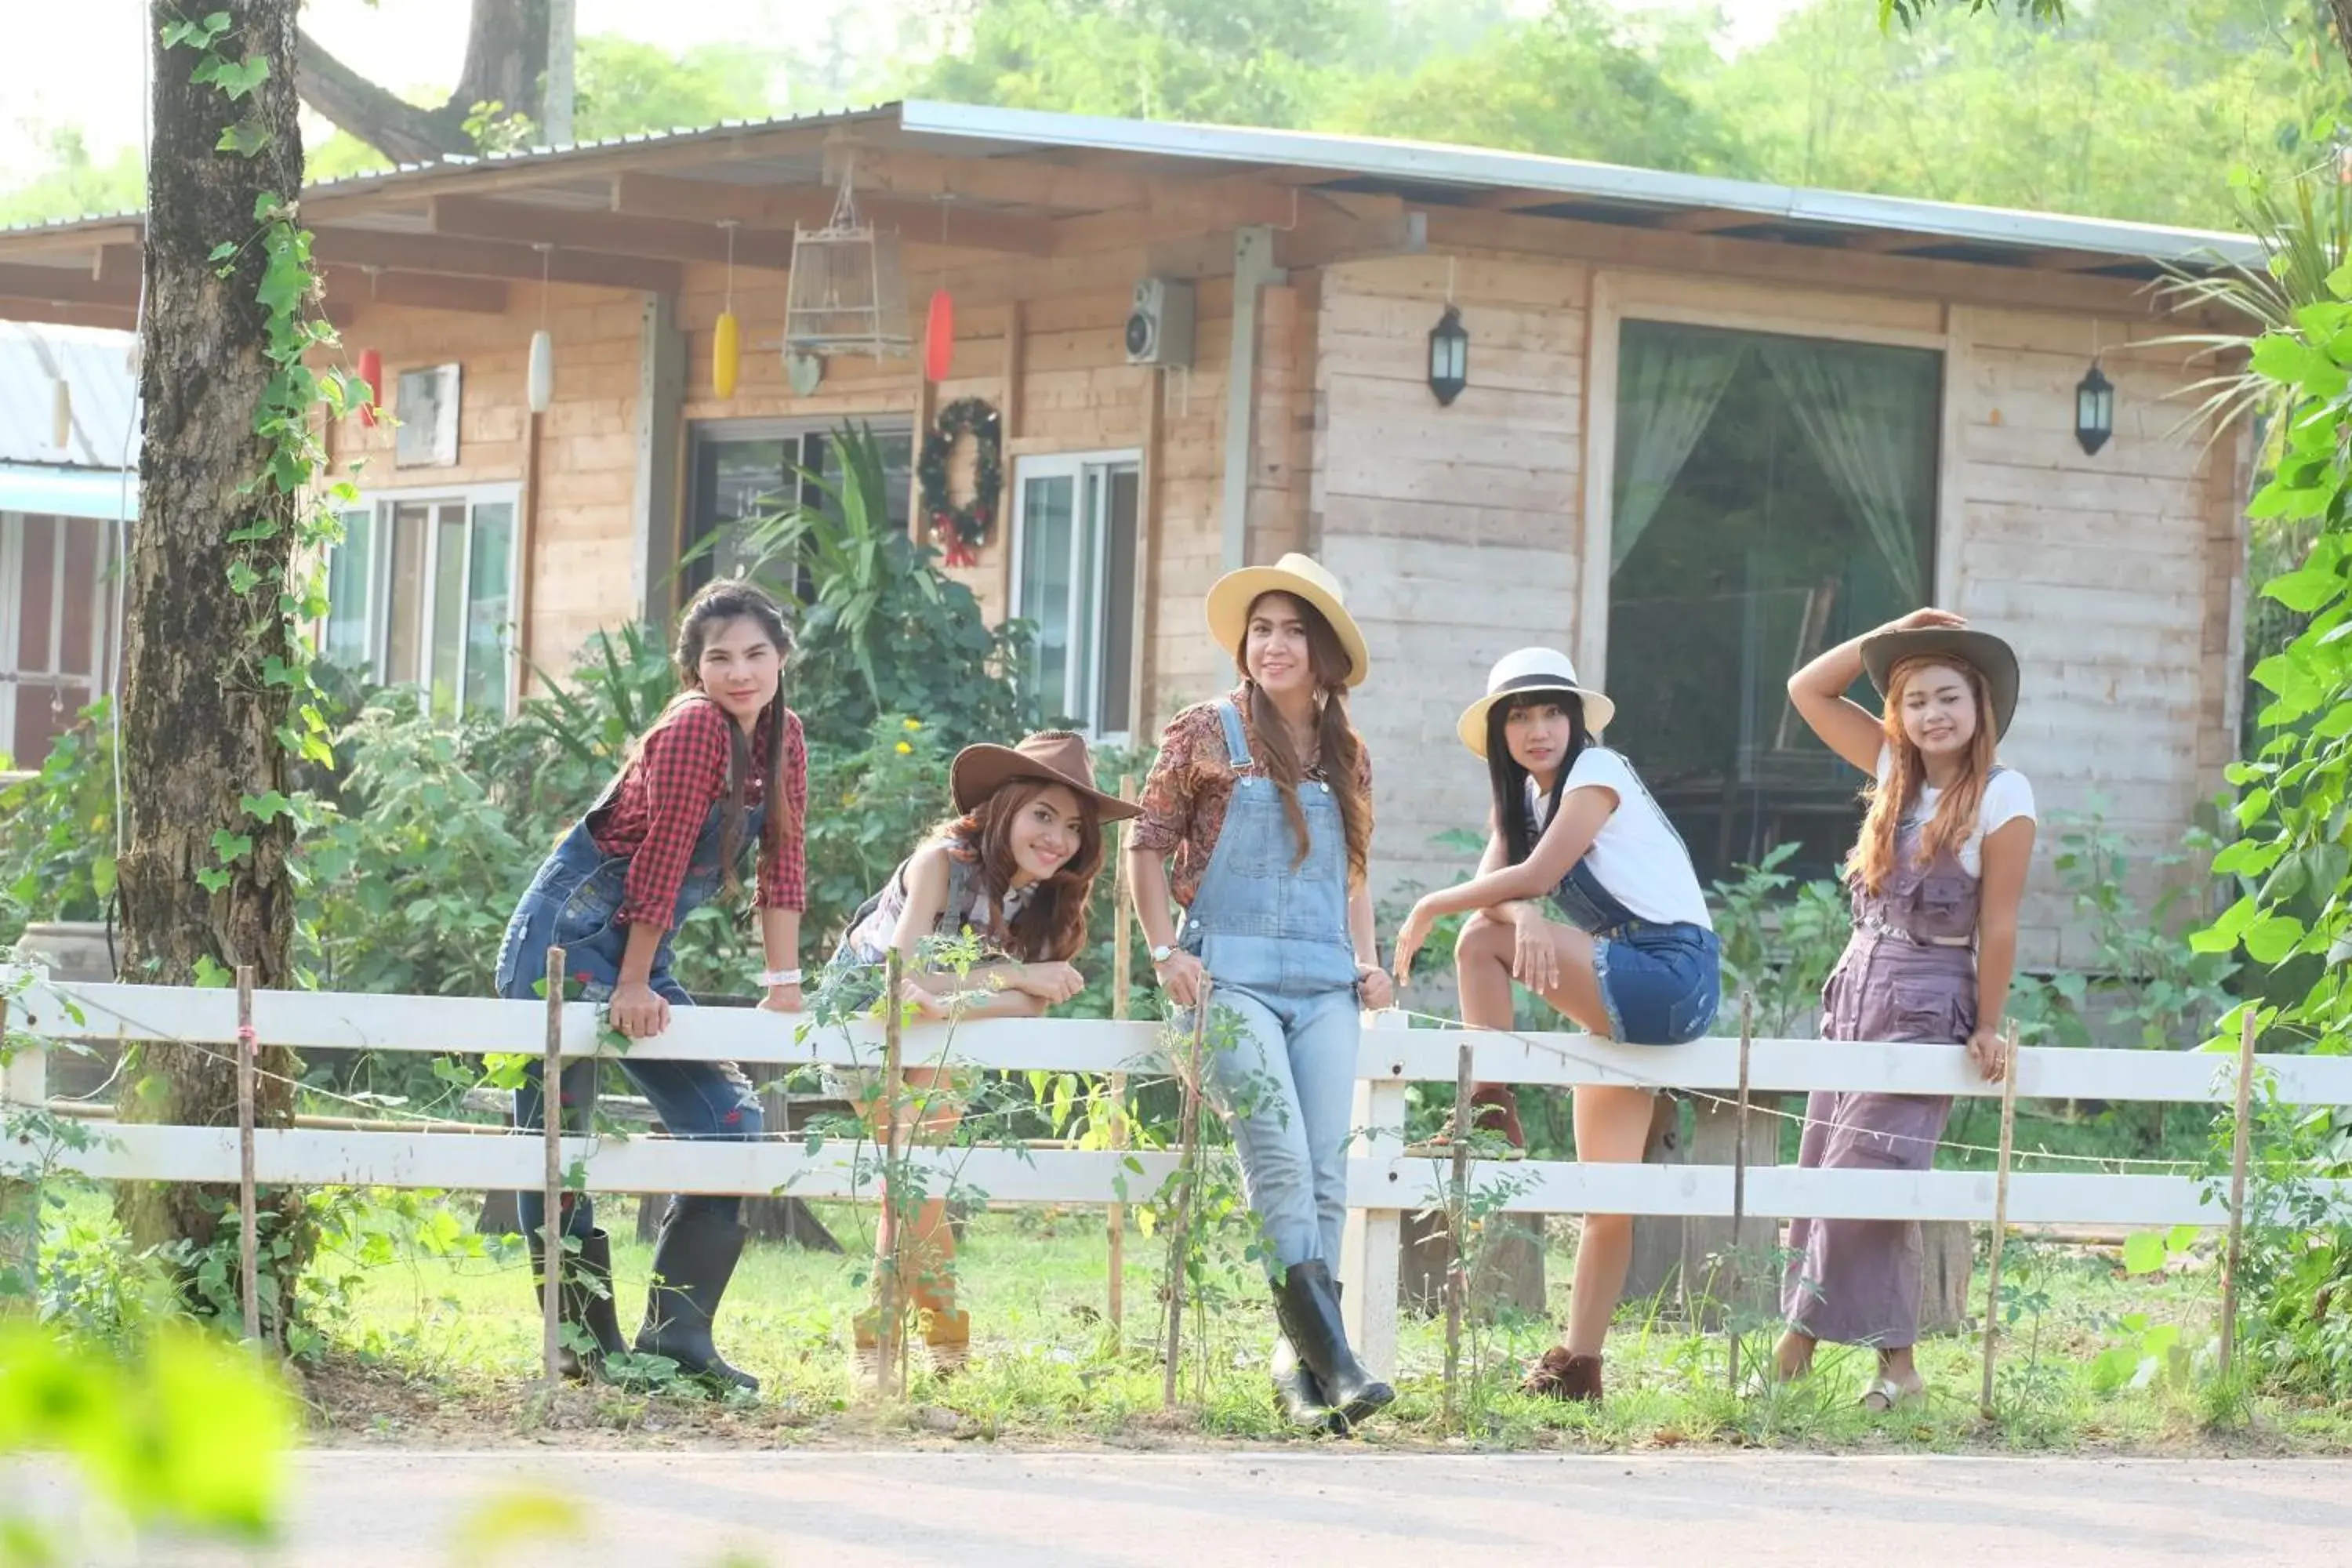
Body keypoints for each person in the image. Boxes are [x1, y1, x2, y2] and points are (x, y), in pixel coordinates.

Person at [492, 579, 808, 1393]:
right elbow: (664, 854)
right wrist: (633, 980)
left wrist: (784, 983)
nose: (740, 672)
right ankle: (581, 1342)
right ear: (694, 668)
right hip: (563, 947)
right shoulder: (694, 727)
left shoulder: (783, 739)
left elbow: (784, 860)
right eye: (719, 657)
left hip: (640, 945)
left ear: (782, 657)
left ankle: (676, 1339)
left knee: (732, 1121)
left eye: (756, 653)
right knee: (558, 1146)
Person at [1392, 646, 1719, 1404]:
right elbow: (1502, 886)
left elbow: (1511, 890)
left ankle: (1489, 1110)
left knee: (1478, 943)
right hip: (1630, 988)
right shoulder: (1527, 804)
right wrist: (1525, 914)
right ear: (1501, 734)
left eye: (1551, 712)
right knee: (1606, 1200)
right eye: (1519, 716)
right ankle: (1581, 1366)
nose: (1537, 729)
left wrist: (1434, 906)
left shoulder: (1598, 775)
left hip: (1669, 972)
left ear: (1575, 720)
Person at [1128, 554, 1397, 1433]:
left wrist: (1369, 958)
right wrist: (1164, 947)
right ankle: (1344, 1362)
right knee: (1276, 1151)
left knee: (1326, 1170)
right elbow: (1146, 844)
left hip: (1325, 982)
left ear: (1325, 651)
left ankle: (1303, 1370)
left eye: (1293, 630)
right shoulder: (1206, 730)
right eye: (1262, 628)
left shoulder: (1347, 754)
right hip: (1227, 975)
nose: (1273, 644)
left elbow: (1353, 873)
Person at [1774, 608, 2031, 1409]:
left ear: (1980, 704)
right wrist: (1897, 629)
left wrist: (1987, 1021)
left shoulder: (2002, 793)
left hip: (1929, 995)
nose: (1933, 714)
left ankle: (1812, 1347)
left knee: (1871, 1170)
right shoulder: (1895, 769)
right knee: (1828, 1165)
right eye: (1915, 698)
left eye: (1949, 695)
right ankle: (1891, 1367)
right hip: (1856, 986)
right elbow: (1806, 689)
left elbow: (1999, 921)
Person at [829, 730, 1138, 1367]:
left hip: (953, 1032)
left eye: (1074, 826)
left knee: (913, 1177)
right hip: (867, 1027)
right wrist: (1012, 975)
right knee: (911, 1180)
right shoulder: (939, 864)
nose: (1058, 839)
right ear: (1006, 807)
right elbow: (897, 982)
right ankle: (943, 1334)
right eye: (1043, 815)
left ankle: (884, 1337)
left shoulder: (1047, 899)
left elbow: (1030, 1004)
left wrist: (975, 992)